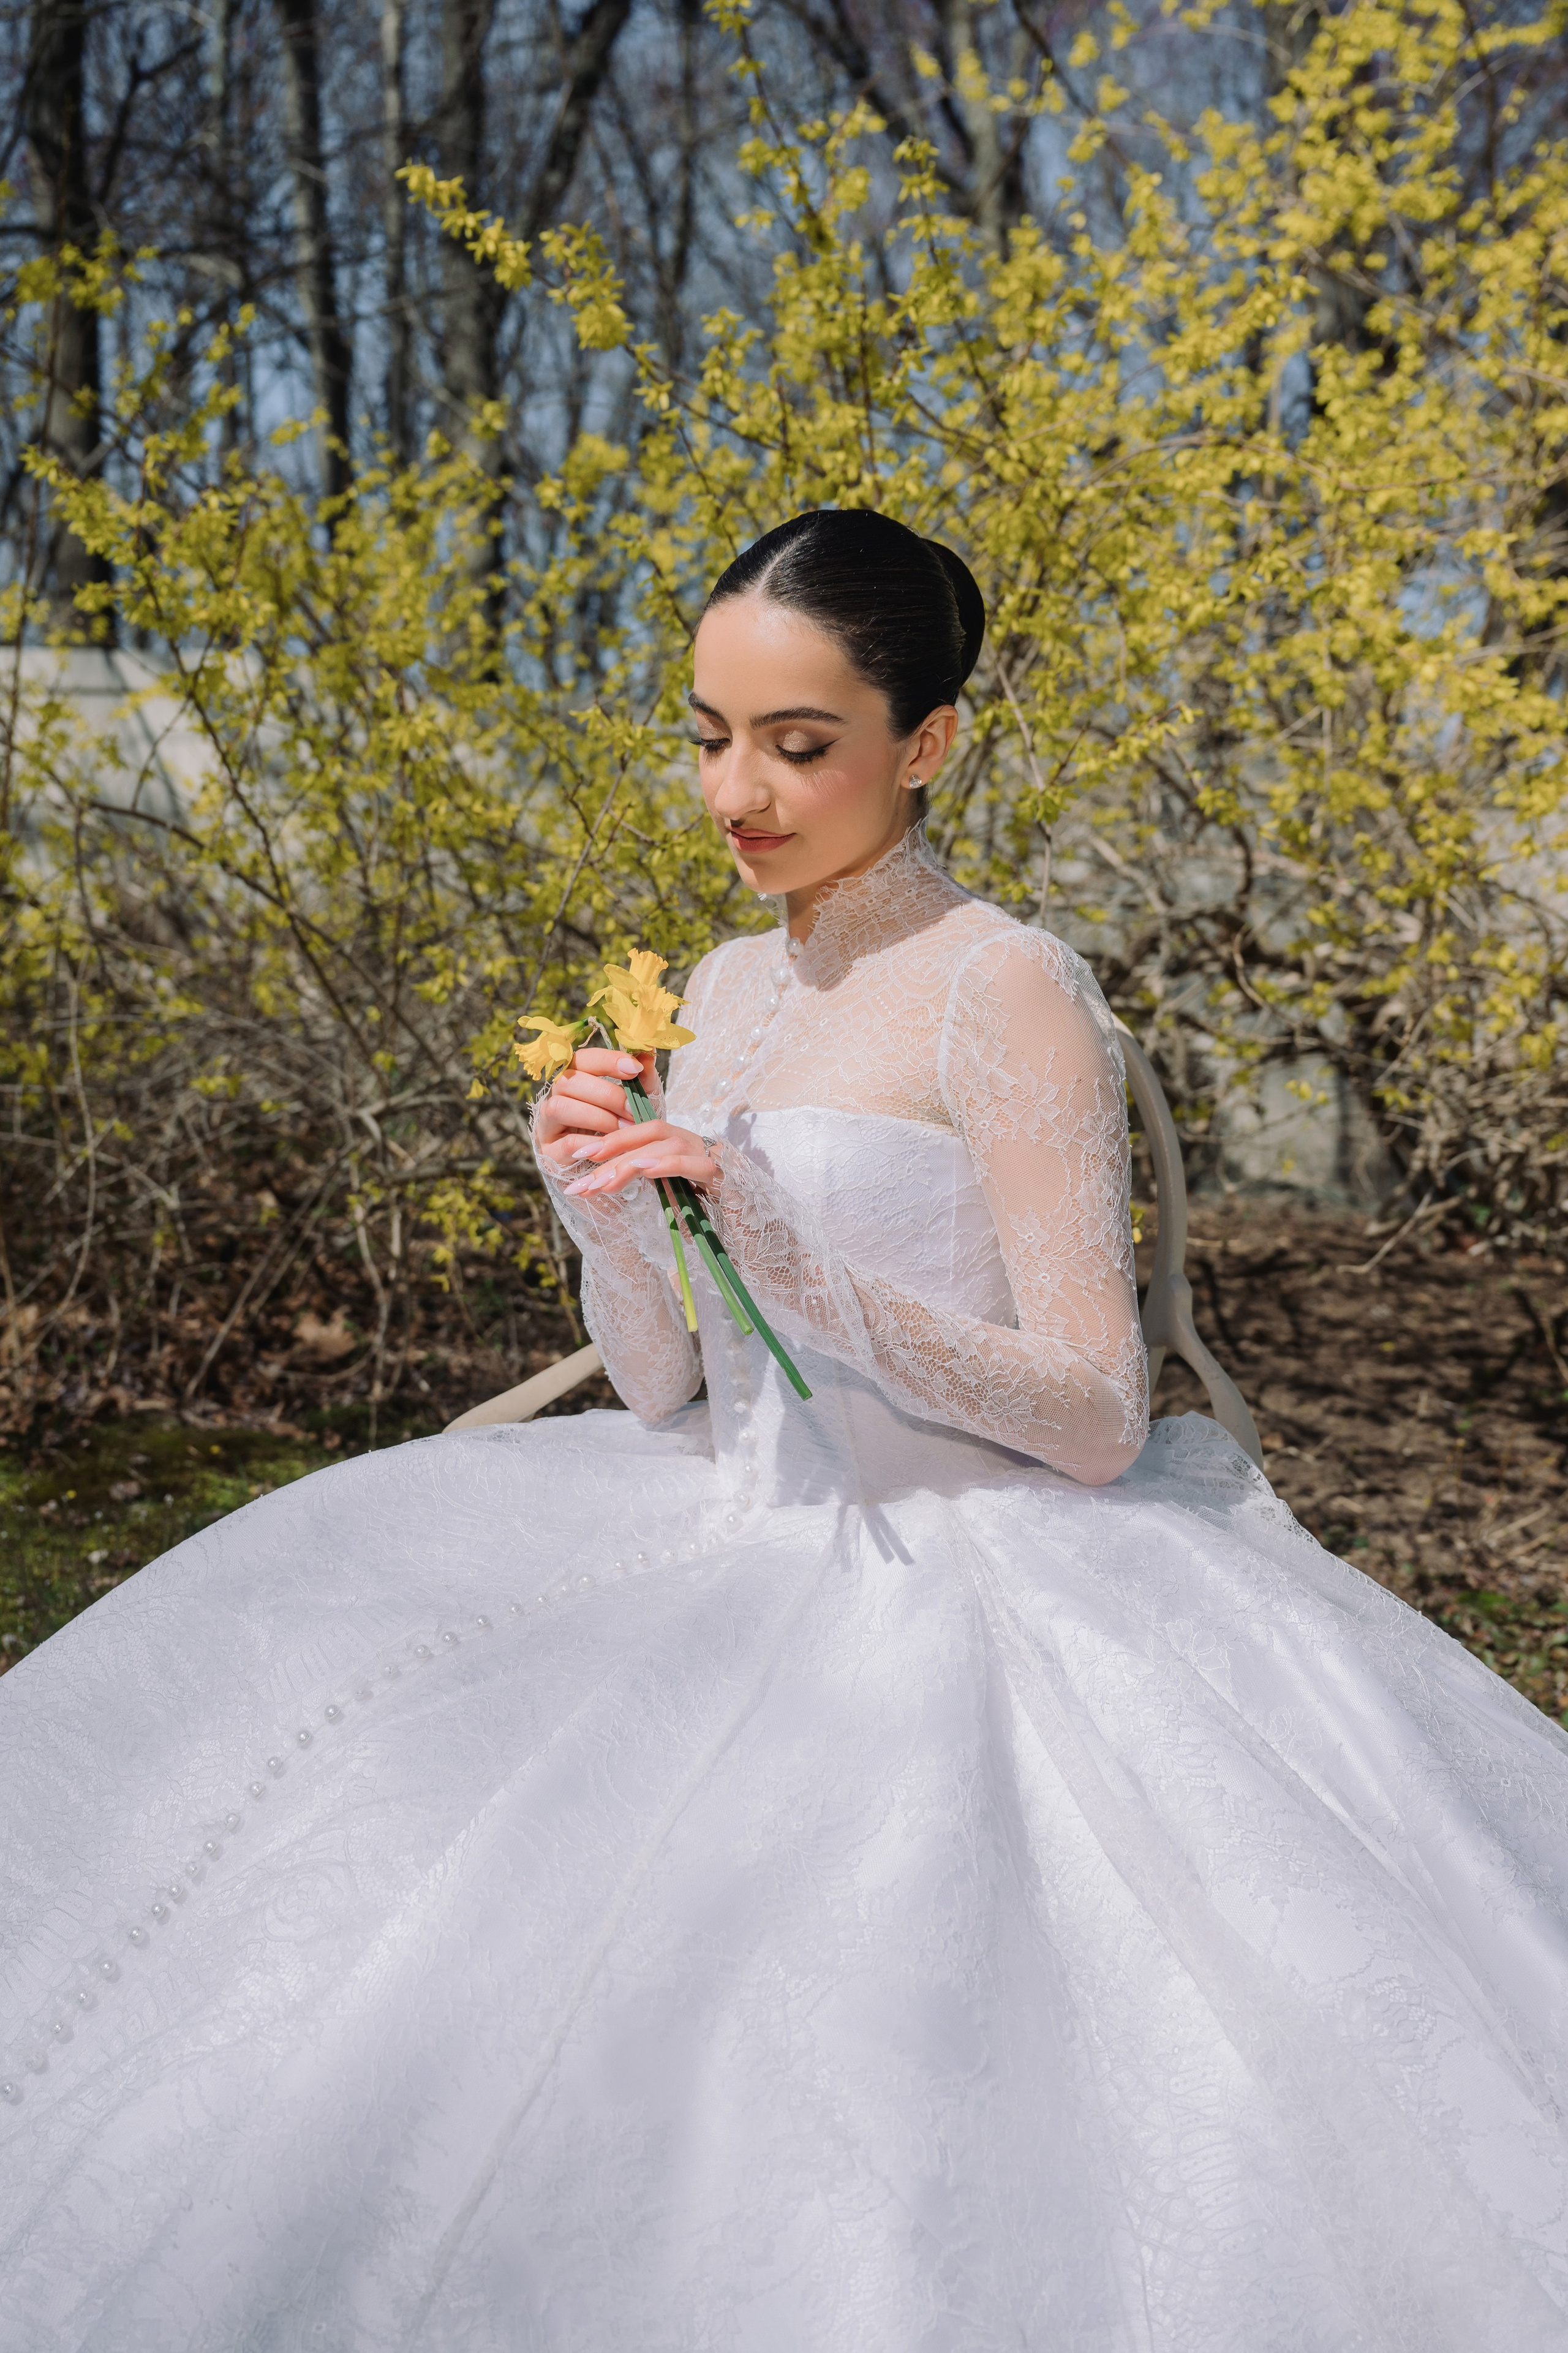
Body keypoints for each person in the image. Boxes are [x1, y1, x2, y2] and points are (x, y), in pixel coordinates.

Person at [1, 510, 1565, 2352]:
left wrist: (797, 1258)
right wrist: (597, 1201)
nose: (738, 791)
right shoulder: (725, 988)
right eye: (708, 732)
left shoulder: (1009, 986)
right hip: (710, 1519)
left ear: (930, 742)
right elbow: (666, 1379)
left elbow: (1091, 1407)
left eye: (800, 744)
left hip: (968, 1568)